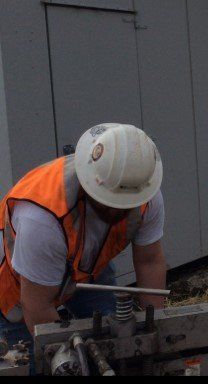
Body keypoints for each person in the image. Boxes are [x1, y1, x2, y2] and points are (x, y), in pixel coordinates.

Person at [0, 123, 166, 369]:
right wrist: (75, 363)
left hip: (85, 269)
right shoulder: (42, 218)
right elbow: (38, 306)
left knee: (114, 344)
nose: (118, 210)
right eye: (110, 201)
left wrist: (155, 331)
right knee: (40, 364)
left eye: (126, 203)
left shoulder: (144, 194)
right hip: (17, 288)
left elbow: (149, 261)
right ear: (90, 184)